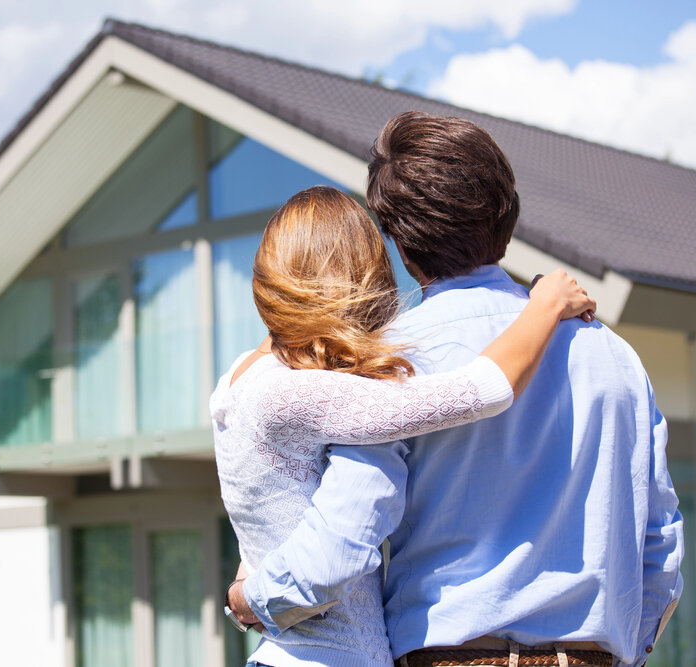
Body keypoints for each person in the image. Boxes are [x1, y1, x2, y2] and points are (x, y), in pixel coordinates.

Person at [229, 113, 684, 667]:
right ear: (507, 215)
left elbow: (350, 522)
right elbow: (658, 542)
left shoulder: (382, 362)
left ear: (394, 236)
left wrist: (256, 598)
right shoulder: (613, 355)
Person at [212, 185, 596, 667]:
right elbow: (483, 389)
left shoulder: (239, 381)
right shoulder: (300, 393)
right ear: (360, 279)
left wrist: (246, 596)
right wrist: (544, 304)